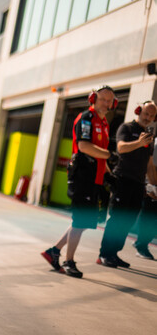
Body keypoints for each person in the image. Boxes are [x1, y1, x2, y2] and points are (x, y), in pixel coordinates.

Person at [41, 86, 116, 278]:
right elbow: (84, 146)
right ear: (93, 99)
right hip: (83, 176)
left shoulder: (104, 123)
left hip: (95, 178)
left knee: (83, 222)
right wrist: (109, 155)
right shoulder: (86, 118)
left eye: (110, 100)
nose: (106, 103)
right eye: (103, 99)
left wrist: (109, 174)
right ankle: (69, 261)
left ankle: (54, 251)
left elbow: (100, 154)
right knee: (80, 221)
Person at [97, 101, 156, 268]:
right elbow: (121, 148)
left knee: (128, 220)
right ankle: (104, 254)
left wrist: (154, 186)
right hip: (123, 180)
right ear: (138, 111)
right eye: (146, 113)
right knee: (117, 219)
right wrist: (139, 142)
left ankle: (114, 254)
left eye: (152, 116)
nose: (148, 118)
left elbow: (149, 165)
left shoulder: (149, 137)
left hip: (138, 184)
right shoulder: (127, 128)